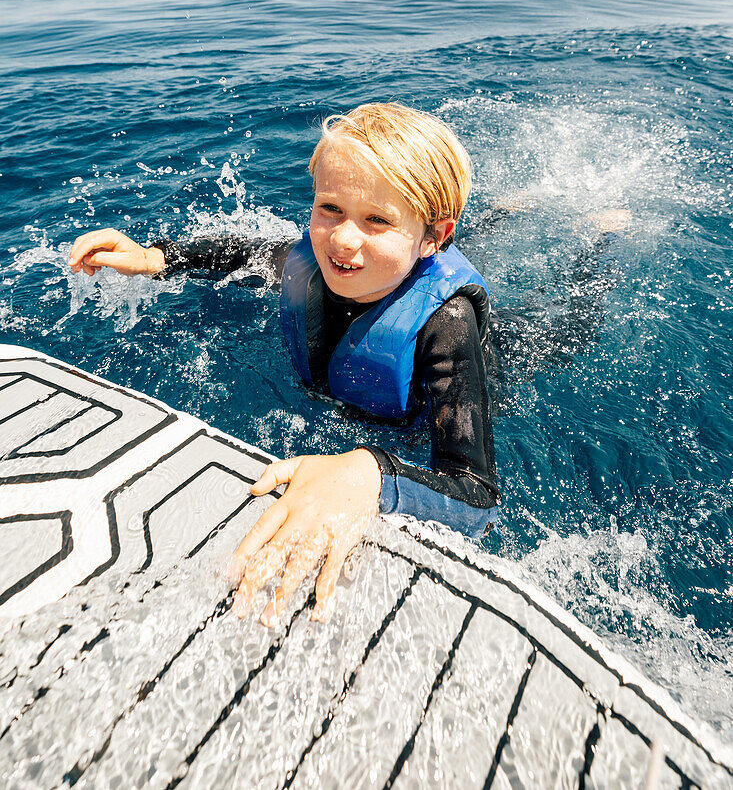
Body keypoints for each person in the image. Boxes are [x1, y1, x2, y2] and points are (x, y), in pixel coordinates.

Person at [69, 103, 622, 628]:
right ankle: (497, 214)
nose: (342, 239)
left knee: (572, 321)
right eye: (330, 207)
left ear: (434, 235)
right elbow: (239, 253)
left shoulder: (448, 325)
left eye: (376, 219)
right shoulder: (312, 263)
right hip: (416, 256)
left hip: (492, 354)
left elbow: (476, 493)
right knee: (376, 248)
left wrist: (373, 472)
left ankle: (602, 239)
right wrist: (154, 257)